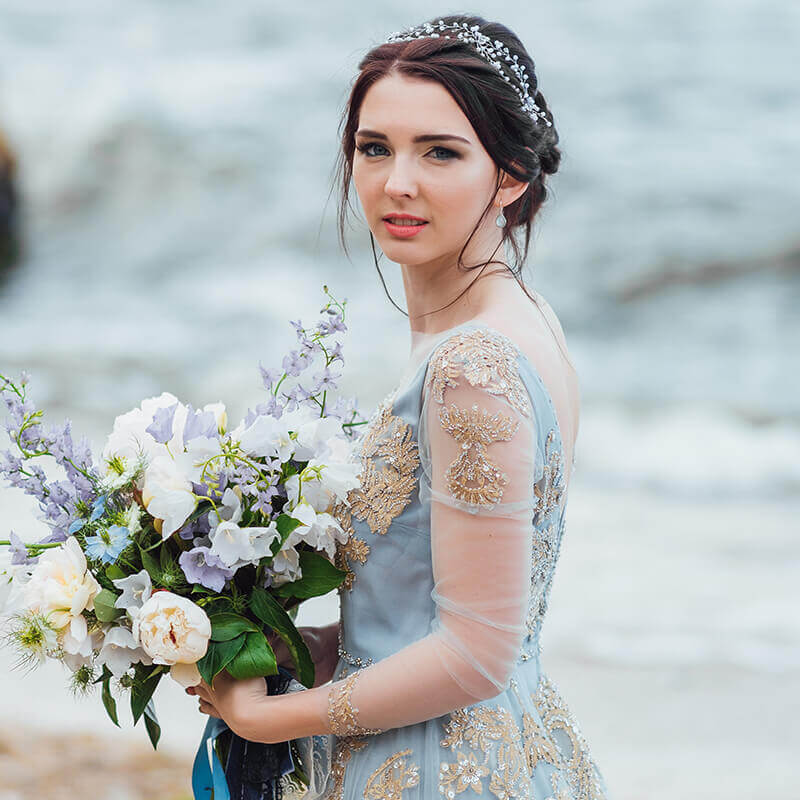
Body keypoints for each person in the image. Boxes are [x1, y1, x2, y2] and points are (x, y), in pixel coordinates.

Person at [188, 13, 612, 800]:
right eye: (374, 147)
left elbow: (479, 653)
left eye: (441, 152)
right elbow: (432, 613)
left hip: (434, 773)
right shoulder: (519, 315)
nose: (396, 183)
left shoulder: (472, 365)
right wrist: (295, 647)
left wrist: (271, 721)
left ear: (512, 174)